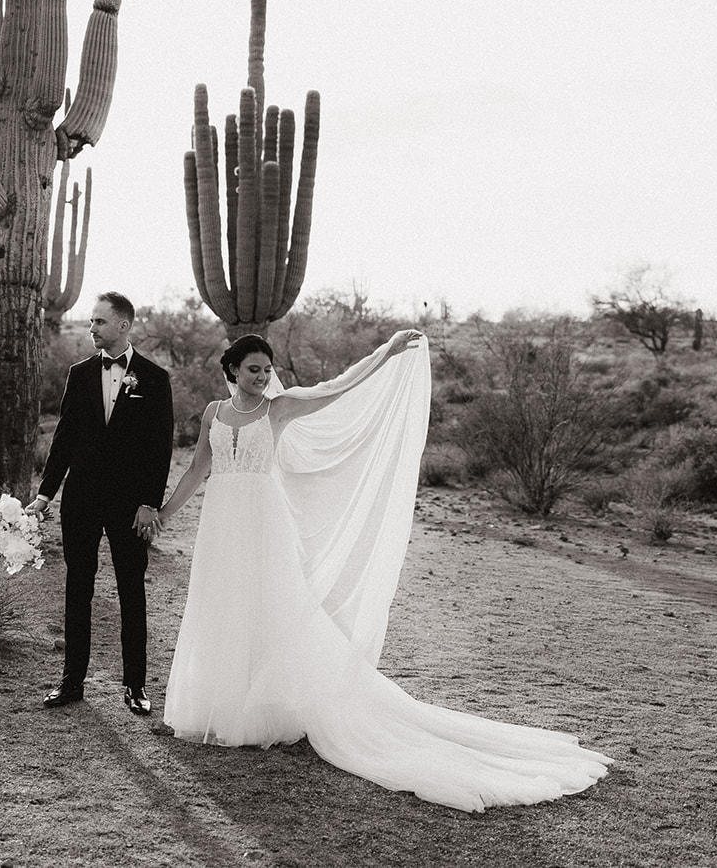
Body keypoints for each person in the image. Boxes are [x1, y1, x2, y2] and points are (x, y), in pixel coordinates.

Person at [151, 331, 612, 811]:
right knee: (222, 603)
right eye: (253, 369)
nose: (263, 377)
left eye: (267, 369)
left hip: (264, 521)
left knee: (272, 605)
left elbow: (336, 388)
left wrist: (385, 354)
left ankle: (267, 710)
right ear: (231, 370)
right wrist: (164, 513)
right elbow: (197, 469)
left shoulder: (280, 408)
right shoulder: (212, 413)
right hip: (222, 520)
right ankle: (223, 707)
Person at [30, 292, 174, 716]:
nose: (90, 328)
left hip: (131, 506)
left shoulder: (154, 378)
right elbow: (64, 439)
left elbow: (160, 449)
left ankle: (135, 687)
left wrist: (150, 504)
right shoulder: (79, 374)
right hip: (82, 501)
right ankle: (71, 682)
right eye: (90, 322)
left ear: (124, 326)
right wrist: (44, 495)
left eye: (98, 322)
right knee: (79, 589)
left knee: (132, 592)